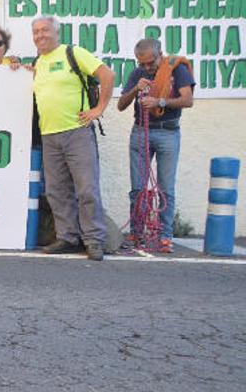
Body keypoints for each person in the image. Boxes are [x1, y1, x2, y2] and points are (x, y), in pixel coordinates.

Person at [32, 16, 115, 261]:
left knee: (87, 188)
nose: (40, 35)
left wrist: (98, 109)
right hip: (48, 135)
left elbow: (107, 75)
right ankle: (67, 238)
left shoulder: (72, 53)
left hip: (76, 133)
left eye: (45, 30)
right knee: (57, 191)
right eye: (36, 32)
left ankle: (94, 240)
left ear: (56, 32)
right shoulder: (37, 63)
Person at [117, 38, 194, 252]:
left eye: (150, 63)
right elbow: (121, 105)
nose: (146, 67)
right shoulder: (137, 74)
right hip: (141, 131)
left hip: (168, 132)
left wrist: (160, 102)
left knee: (165, 188)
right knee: (138, 189)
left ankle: (164, 236)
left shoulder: (176, 69)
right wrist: (135, 90)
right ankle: (137, 233)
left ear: (161, 54)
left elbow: (188, 100)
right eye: (142, 63)